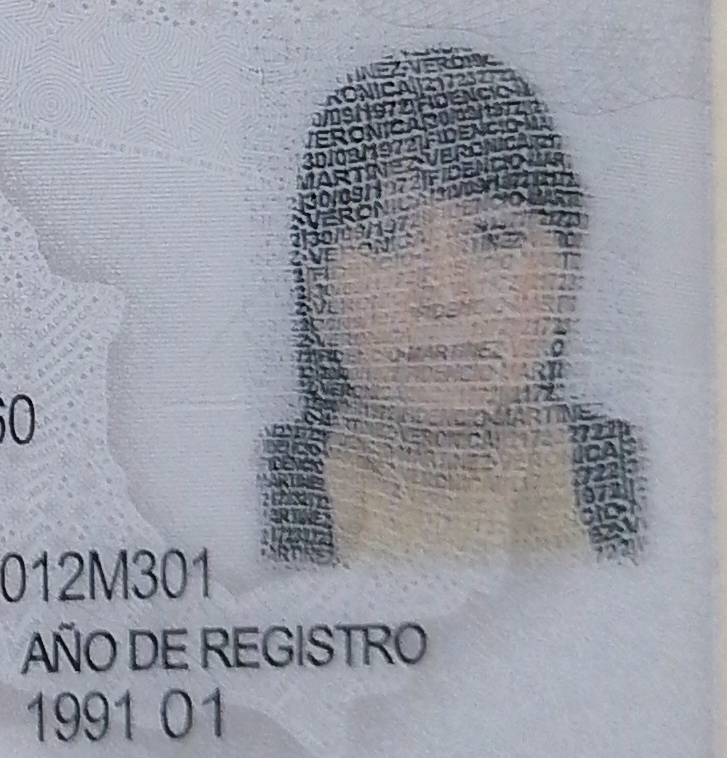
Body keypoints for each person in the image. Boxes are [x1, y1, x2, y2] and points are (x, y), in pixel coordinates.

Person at [261, 46, 640, 567]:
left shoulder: (648, 478)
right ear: (320, 293)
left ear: (567, 277)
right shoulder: (252, 491)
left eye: (494, 237)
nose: (444, 296)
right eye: (388, 240)